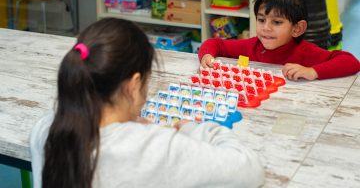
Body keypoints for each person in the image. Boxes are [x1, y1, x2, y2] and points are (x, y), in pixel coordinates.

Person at [30, 18, 264, 188]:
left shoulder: (45, 128)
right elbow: (249, 170)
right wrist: (191, 127)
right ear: (133, 86)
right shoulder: (154, 147)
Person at [199, 0, 360, 80]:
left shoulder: (305, 52)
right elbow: (215, 43)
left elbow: (351, 62)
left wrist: (312, 71)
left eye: (277, 22)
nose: (266, 28)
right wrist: (206, 56)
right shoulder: (251, 45)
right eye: (261, 20)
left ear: (297, 29)